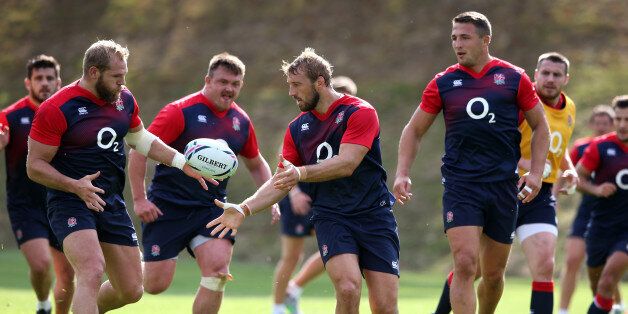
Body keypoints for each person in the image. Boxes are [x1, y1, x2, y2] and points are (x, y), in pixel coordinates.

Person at [26, 40, 215, 313]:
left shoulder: (123, 98)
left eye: (123, 75)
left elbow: (140, 139)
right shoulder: (57, 108)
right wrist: (74, 186)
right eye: (116, 76)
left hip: (111, 202)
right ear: (94, 72)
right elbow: (34, 166)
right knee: (91, 271)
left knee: (131, 289)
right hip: (71, 200)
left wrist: (181, 162)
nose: (122, 82)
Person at [208, 48, 400, 314]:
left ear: (320, 82)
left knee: (385, 307)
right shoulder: (298, 128)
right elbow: (281, 180)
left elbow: (348, 163)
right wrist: (245, 208)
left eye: (297, 85)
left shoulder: (360, 112)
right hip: (332, 216)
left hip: (374, 214)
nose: (291, 92)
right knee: (347, 288)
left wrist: (302, 173)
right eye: (289, 85)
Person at [394, 11, 550, 314]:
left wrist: (534, 173)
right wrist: (402, 172)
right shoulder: (444, 82)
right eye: (454, 38)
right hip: (461, 185)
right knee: (465, 263)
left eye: (464, 37)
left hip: (503, 186)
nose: (457, 44)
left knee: (492, 275)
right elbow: (413, 130)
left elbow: (541, 126)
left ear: (485, 40)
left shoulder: (514, 78)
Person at [128, 52, 277, 314]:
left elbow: (256, 163)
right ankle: (105, 293)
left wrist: (272, 198)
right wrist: (140, 199)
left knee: (218, 272)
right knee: (154, 284)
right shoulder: (179, 111)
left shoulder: (240, 121)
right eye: (223, 82)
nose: (229, 88)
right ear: (207, 80)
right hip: (168, 207)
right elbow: (139, 151)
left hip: (212, 208)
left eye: (236, 83)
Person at [272, 76, 358, 314]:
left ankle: (294, 288)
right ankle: (277, 308)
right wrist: (295, 193)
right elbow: (284, 161)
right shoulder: (305, 125)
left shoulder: (352, 122)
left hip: (329, 199)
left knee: (339, 249)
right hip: (300, 195)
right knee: (291, 257)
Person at [0, 55, 75, 314]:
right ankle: (43, 305)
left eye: (49, 78)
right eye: (38, 79)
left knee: (67, 275)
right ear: (27, 83)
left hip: (62, 202)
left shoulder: (68, 114)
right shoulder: (9, 116)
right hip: (25, 206)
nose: (44, 83)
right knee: (42, 265)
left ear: (58, 82)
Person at [559, 105, 622, 314]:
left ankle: (617, 305)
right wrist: (556, 194)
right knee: (576, 261)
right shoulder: (586, 147)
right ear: (591, 124)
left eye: (607, 123)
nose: (602, 127)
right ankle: (563, 310)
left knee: (611, 268)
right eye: (598, 123)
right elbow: (570, 176)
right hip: (592, 212)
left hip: (620, 215)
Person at [577, 95, 628, 314]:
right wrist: (596, 189)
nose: (623, 125)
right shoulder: (599, 146)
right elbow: (578, 179)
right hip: (601, 226)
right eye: (618, 119)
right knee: (598, 287)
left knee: (608, 281)